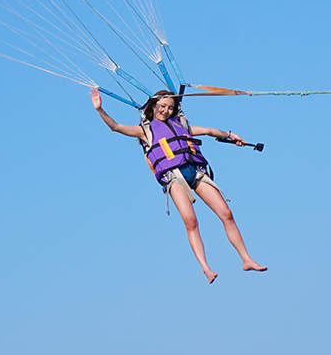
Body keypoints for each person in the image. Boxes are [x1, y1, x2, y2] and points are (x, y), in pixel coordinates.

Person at [91, 86, 267, 282]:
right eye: (163, 106)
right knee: (191, 221)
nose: (166, 111)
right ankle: (206, 268)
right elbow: (115, 127)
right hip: (174, 177)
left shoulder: (181, 126)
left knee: (226, 213)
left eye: (170, 108)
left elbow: (209, 131)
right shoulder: (145, 131)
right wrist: (99, 109)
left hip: (196, 172)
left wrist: (231, 135)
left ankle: (246, 259)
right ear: (154, 106)